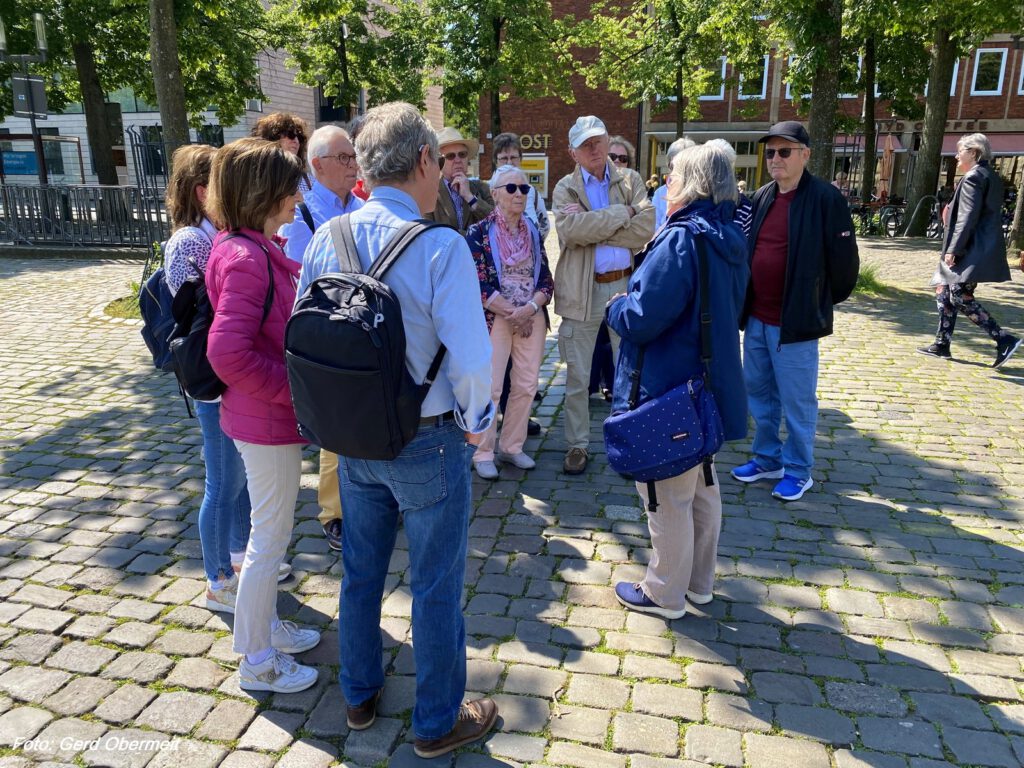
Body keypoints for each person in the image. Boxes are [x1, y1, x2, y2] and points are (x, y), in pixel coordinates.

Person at [298, 103, 498, 758]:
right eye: (439, 160)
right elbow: (471, 358)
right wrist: (479, 425)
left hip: (353, 436)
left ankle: (358, 696)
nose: (442, 175)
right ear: (421, 161)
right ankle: (437, 722)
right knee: (435, 585)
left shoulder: (330, 237)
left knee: (361, 574)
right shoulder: (441, 246)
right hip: (429, 437)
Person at [607, 142, 749, 619]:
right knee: (703, 485)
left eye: (672, 175)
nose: (666, 182)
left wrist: (617, 306)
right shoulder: (728, 234)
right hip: (708, 382)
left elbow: (644, 316)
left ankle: (665, 592)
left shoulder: (682, 238)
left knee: (668, 492)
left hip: (670, 384)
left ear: (690, 183)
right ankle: (698, 583)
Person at [205, 138, 321, 694]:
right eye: (290, 186)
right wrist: (294, 393)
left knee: (269, 536)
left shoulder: (250, 246)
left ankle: (266, 628)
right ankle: (256, 659)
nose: (299, 195)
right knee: (268, 542)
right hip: (265, 420)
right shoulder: (248, 257)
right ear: (262, 193)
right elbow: (227, 353)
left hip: (263, 418)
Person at [732, 121, 859, 502]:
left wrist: (815, 300)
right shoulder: (761, 196)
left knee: (797, 401)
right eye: (770, 152)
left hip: (795, 324)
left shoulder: (824, 198)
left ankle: (799, 470)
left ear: (805, 154)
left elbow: (844, 265)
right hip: (757, 318)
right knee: (759, 395)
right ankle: (767, 458)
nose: (775, 159)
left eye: (784, 151)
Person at [163, 144, 257, 614]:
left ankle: (238, 558)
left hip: (230, 375)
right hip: (212, 377)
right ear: (204, 192)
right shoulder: (190, 242)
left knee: (237, 478)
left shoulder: (213, 235)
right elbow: (207, 313)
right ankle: (218, 579)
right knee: (222, 481)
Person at [553, 115, 654, 475]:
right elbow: (569, 231)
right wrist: (619, 214)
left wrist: (594, 224)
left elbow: (644, 229)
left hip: (624, 287)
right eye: (585, 144)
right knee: (579, 378)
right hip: (582, 291)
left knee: (629, 372)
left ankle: (627, 443)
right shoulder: (565, 188)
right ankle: (577, 445)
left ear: (608, 138)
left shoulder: (631, 180)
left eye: (598, 140)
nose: (594, 148)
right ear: (573, 152)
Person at [283, 125, 365, 552]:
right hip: (328, 332)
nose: (354, 165)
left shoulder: (361, 205)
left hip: (365, 329)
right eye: (345, 158)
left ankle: (366, 500)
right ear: (317, 166)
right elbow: (297, 279)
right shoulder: (304, 212)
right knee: (334, 427)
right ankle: (333, 512)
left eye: (354, 157)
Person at [466, 164, 553, 480]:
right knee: (491, 386)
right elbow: (477, 282)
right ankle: (483, 450)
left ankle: (512, 446)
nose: (520, 194)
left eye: (525, 188)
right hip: (497, 317)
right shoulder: (478, 233)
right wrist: (512, 313)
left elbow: (546, 278)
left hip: (530, 316)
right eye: (512, 188)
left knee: (528, 383)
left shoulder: (532, 230)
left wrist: (530, 308)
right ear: (495, 194)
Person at [919, 133, 1020, 367]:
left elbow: (967, 216)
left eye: (960, 151)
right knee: (944, 291)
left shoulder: (973, 177)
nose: (955, 156)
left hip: (968, 248)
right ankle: (941, 344)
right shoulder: (990, 175)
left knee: (958, 295)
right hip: (976, 246)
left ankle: (1003, 338)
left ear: (974, 152)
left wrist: (954, 249)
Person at [427, 127, 494, 234]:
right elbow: (429, 235)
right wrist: (468, 237)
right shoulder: (429, 194)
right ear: (439, 161)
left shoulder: (482, 188)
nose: (458, 160)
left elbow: (498, 223)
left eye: (462, 154)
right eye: (450, 156)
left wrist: (470, 197)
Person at [492, 132, 550, 238]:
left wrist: (533, 245)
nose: (509, 162)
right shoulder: (487, 189)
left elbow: (545, 226)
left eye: (513, 157)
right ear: (496, 161)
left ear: (520, 159)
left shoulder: (530, 190)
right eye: (504, 158)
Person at [252, 112, 312, 191]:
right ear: (273, 137)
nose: (296, 141)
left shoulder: (311, 182)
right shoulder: (253, 181)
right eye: (291, 135)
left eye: (299, 138)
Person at [654, 137, 696, 230]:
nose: (676, 171)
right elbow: (653, 225)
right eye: (672, 166)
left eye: (682, 166)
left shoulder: (701, 193)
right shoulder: (660, 193)